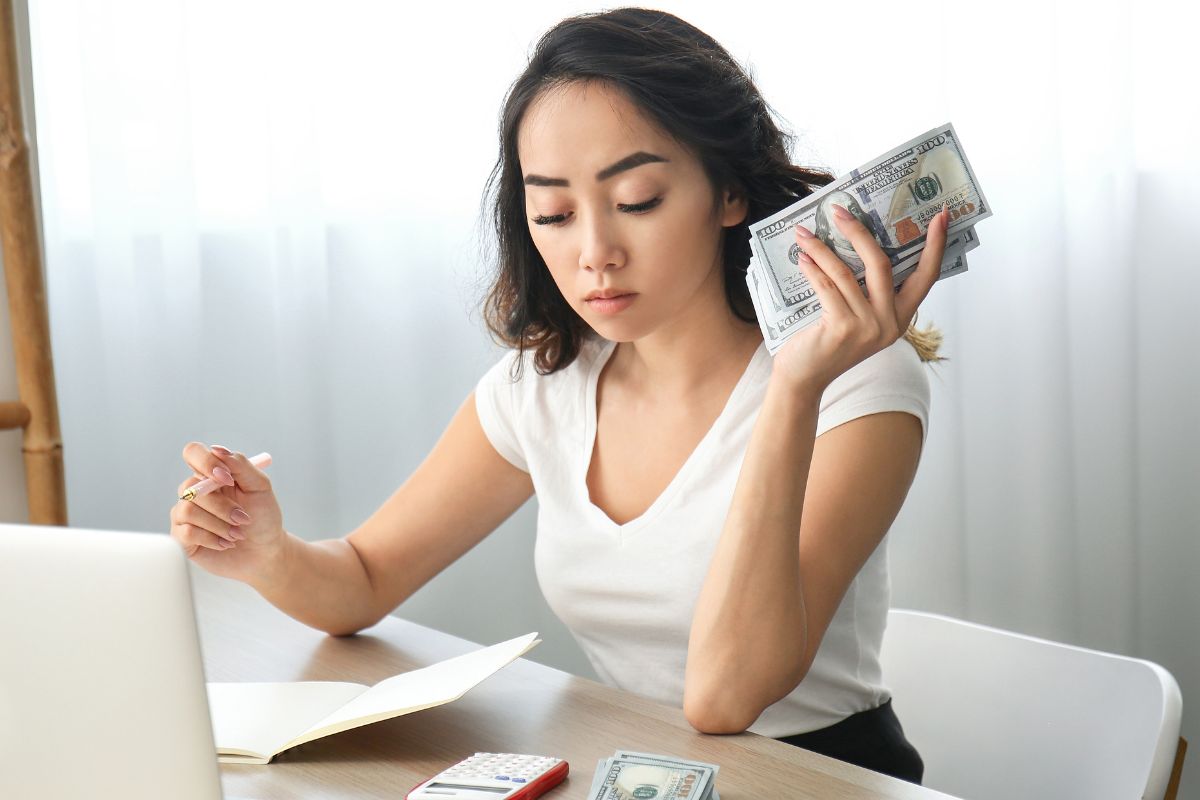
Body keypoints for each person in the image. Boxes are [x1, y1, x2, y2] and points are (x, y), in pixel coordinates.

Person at [169, 7, 950, 786]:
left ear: (729, 194)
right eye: (554, 213)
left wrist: (794, 385)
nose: (595, 254)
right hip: (646, 771)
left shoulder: (861, 385)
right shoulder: (544, 386)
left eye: (637, 200)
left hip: (822, 778)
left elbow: (725, 697)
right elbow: (364, 580)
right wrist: (267, 550)